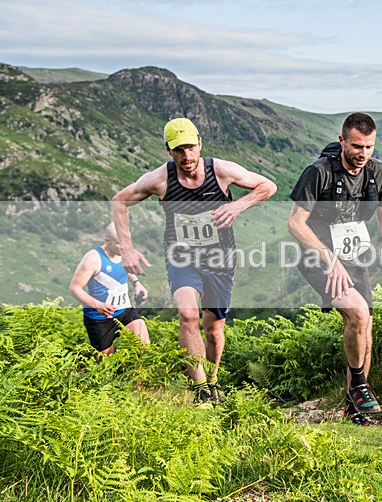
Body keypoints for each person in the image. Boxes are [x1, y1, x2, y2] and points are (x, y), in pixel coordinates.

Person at [112, 117, 277, 406]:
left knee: (214, 329)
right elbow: (119, 201)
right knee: (188, 315)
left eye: (190, 148)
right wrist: (126, 248)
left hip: (219, 258)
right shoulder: (160, 179)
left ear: (200, 143)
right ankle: (199, 389)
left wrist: (237, 205)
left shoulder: (221, 171)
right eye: (179, 150)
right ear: (168, 151)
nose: (186, 157)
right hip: (181, 257)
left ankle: (212, 381)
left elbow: (268, 186)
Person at [288, 112, 382, 425]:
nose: (362, 153)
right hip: (318, 256)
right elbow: (295, 223)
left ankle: (356, 406)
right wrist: (330, 258)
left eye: (368, 147)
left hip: (354, 257)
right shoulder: (319, 172)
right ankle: (360, 387)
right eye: (356, 146)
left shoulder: (378, 172)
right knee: (356, 313)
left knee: (365, 324)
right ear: (342, 141)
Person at [69, 222, 151, 357]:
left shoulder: (123, 250)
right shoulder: (93, 259)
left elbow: (125, 267)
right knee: (106, 360)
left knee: (143, 344)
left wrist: (137, 283)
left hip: (124, 309)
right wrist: (98, 305)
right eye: (119, 244)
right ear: (107, 241)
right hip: (99, 316)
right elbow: (74, 288)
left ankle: (143, 377)